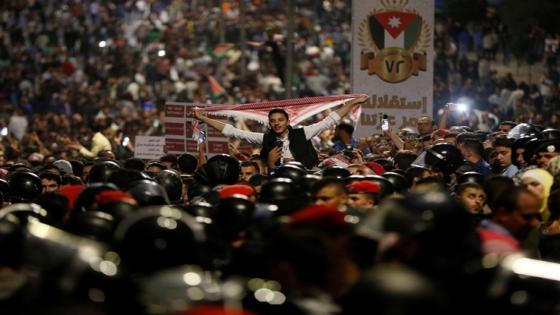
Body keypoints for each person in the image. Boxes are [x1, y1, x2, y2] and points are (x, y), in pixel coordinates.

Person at [194, 96, 367, 169]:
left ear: (288, 122)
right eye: (273, 121)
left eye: (280, 120)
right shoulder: (265, 139)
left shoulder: (303, 132)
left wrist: (353, 102)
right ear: (269, 124)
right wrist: (204, 118)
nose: (277, 124)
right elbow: (232, 131)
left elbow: (330, 120)